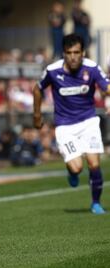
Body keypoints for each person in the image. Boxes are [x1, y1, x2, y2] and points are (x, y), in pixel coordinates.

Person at [33, 33, 110, 215]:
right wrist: (37, 116)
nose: (73, 56)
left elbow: (107, 88)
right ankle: (72, 172)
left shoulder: (91, 68)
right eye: (69, 52)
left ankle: (96, 203)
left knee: (93, 164)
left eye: (77, 52)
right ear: (64, 54)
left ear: (83, 52)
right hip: (65, 125)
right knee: (77, 166)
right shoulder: (53, 70)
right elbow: (37, 89)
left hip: (88, 121)